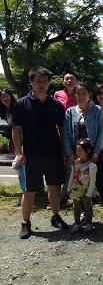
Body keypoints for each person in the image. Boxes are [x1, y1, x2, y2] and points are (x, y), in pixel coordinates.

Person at [13, 67, 67, 239]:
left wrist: (65, 149)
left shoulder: (56, 105)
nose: (42, 84)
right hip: (31, 154)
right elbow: (16, 130)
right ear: (31, 82)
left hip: (53, 152)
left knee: (54, 187)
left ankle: (55, 216)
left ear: (49, 83)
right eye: (38, 81)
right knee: (29, 191)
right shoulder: (22, 104)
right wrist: (19, 153)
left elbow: (62, 128)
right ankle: (26, 222)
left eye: (45, 81)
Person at [64, 82, 103, 227]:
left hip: (94, 153)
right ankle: (84, 214)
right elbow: (66, 135)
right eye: (78, 93)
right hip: (78, 154)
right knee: (79, 184)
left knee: (99, 183)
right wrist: (70, 153)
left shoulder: (97, 110)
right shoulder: (70, 112)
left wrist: (96, 151)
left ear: (89, 95)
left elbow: (101, 132)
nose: (81, 96)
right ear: (74, 94)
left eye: (84, 93)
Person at [54, 70, 79, 206]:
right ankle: (56, 196)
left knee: (71, 166)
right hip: (58, 133)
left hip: (75, 135)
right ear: (63, 81)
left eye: (72, 78)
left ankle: (64, 197)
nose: (69, 81)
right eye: (66, 79)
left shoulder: (80, 95)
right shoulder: (58, 95)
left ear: (76, 81)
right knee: (58, 166)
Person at [0, 89, 25, 207]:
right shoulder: (4, 110)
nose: (5, 98)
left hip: (26, 141)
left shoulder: (17, 107)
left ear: (11, 96)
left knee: (18, 165)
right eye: (2, 97)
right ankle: (25, 193)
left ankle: (25, 194)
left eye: (7, 96)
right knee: (21, 168)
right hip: (17, 142)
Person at [67, 138, 97, 234]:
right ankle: (76, 223)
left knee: (87, 206)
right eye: (76, 150)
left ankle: (89, 223)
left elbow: (92, 181)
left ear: (88, 151)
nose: (78, 153)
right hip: (76, 189)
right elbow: (72, 175)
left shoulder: (91, 166)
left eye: (80, 150)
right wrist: (69, 188)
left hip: (86, 190)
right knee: (76, 207)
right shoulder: (75, 163)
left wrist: (89, 193)